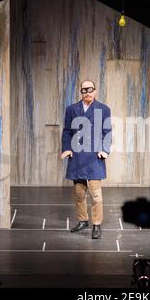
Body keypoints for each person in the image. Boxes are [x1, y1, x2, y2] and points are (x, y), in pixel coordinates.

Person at [61, 79, 112, 239]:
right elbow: (67, 131)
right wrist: (67, 148)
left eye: (90, 89)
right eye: (84, 90)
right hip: (77, 156)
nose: (87, 92)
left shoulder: (103, 109)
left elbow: (107, 131)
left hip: (95, 156)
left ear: (95, 91)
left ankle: (96, 224)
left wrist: (104, 150)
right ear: (81, 92)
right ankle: (83, 220)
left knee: (96, 194)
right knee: (79, 193)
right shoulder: (71, 109)